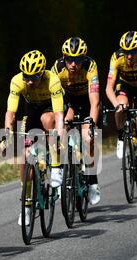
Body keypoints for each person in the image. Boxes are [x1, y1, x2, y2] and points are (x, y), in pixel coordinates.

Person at [4, 50, 64, 225]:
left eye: (34, 78)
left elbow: (59, 114)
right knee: (26, 157)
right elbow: (11, 112)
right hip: (31, 112)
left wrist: (59, 134)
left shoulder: (52, 80)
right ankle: (27, 205)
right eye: (26, 76)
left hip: (50, 109)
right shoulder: (17, 81)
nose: (30, 81)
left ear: (42, 73)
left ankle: (55, 166)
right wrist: (7, 133)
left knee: (48, 120)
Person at [51, 37, 101, 205]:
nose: (73, 64)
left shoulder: (90, 66)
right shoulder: (57, 69)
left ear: (84, 58)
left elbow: (94, 101)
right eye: (69, 60)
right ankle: (64, 167)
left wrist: (92, 123)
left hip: (87, 102)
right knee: (62, 128)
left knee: (88, 138)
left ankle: (92, 179)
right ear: (64, 58)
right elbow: (54, 100)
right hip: (69, 102)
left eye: (78, 60)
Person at [105, 31, 137, 191]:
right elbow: (108, 87)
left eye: (132, 52)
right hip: (125, 87)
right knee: (120, 107)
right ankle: (121, 137)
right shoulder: (116, 57)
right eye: (126, 52)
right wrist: (116, 104)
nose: (129, 56)